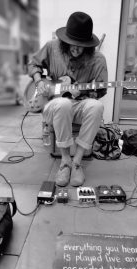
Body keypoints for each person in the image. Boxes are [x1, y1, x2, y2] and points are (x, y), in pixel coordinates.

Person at [28, 11, 108, 187]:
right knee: (63, 103)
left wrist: (89, 93)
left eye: (81, 45)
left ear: (88, 44)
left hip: (79, 105)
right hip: (53, 105)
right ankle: (65, 162)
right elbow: (33, 64)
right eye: (72, 44)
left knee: (96, 107)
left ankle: (77, 162)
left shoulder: (97, 59)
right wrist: (38, 81)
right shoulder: (51, 47)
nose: (76, 49)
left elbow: (101, 90)